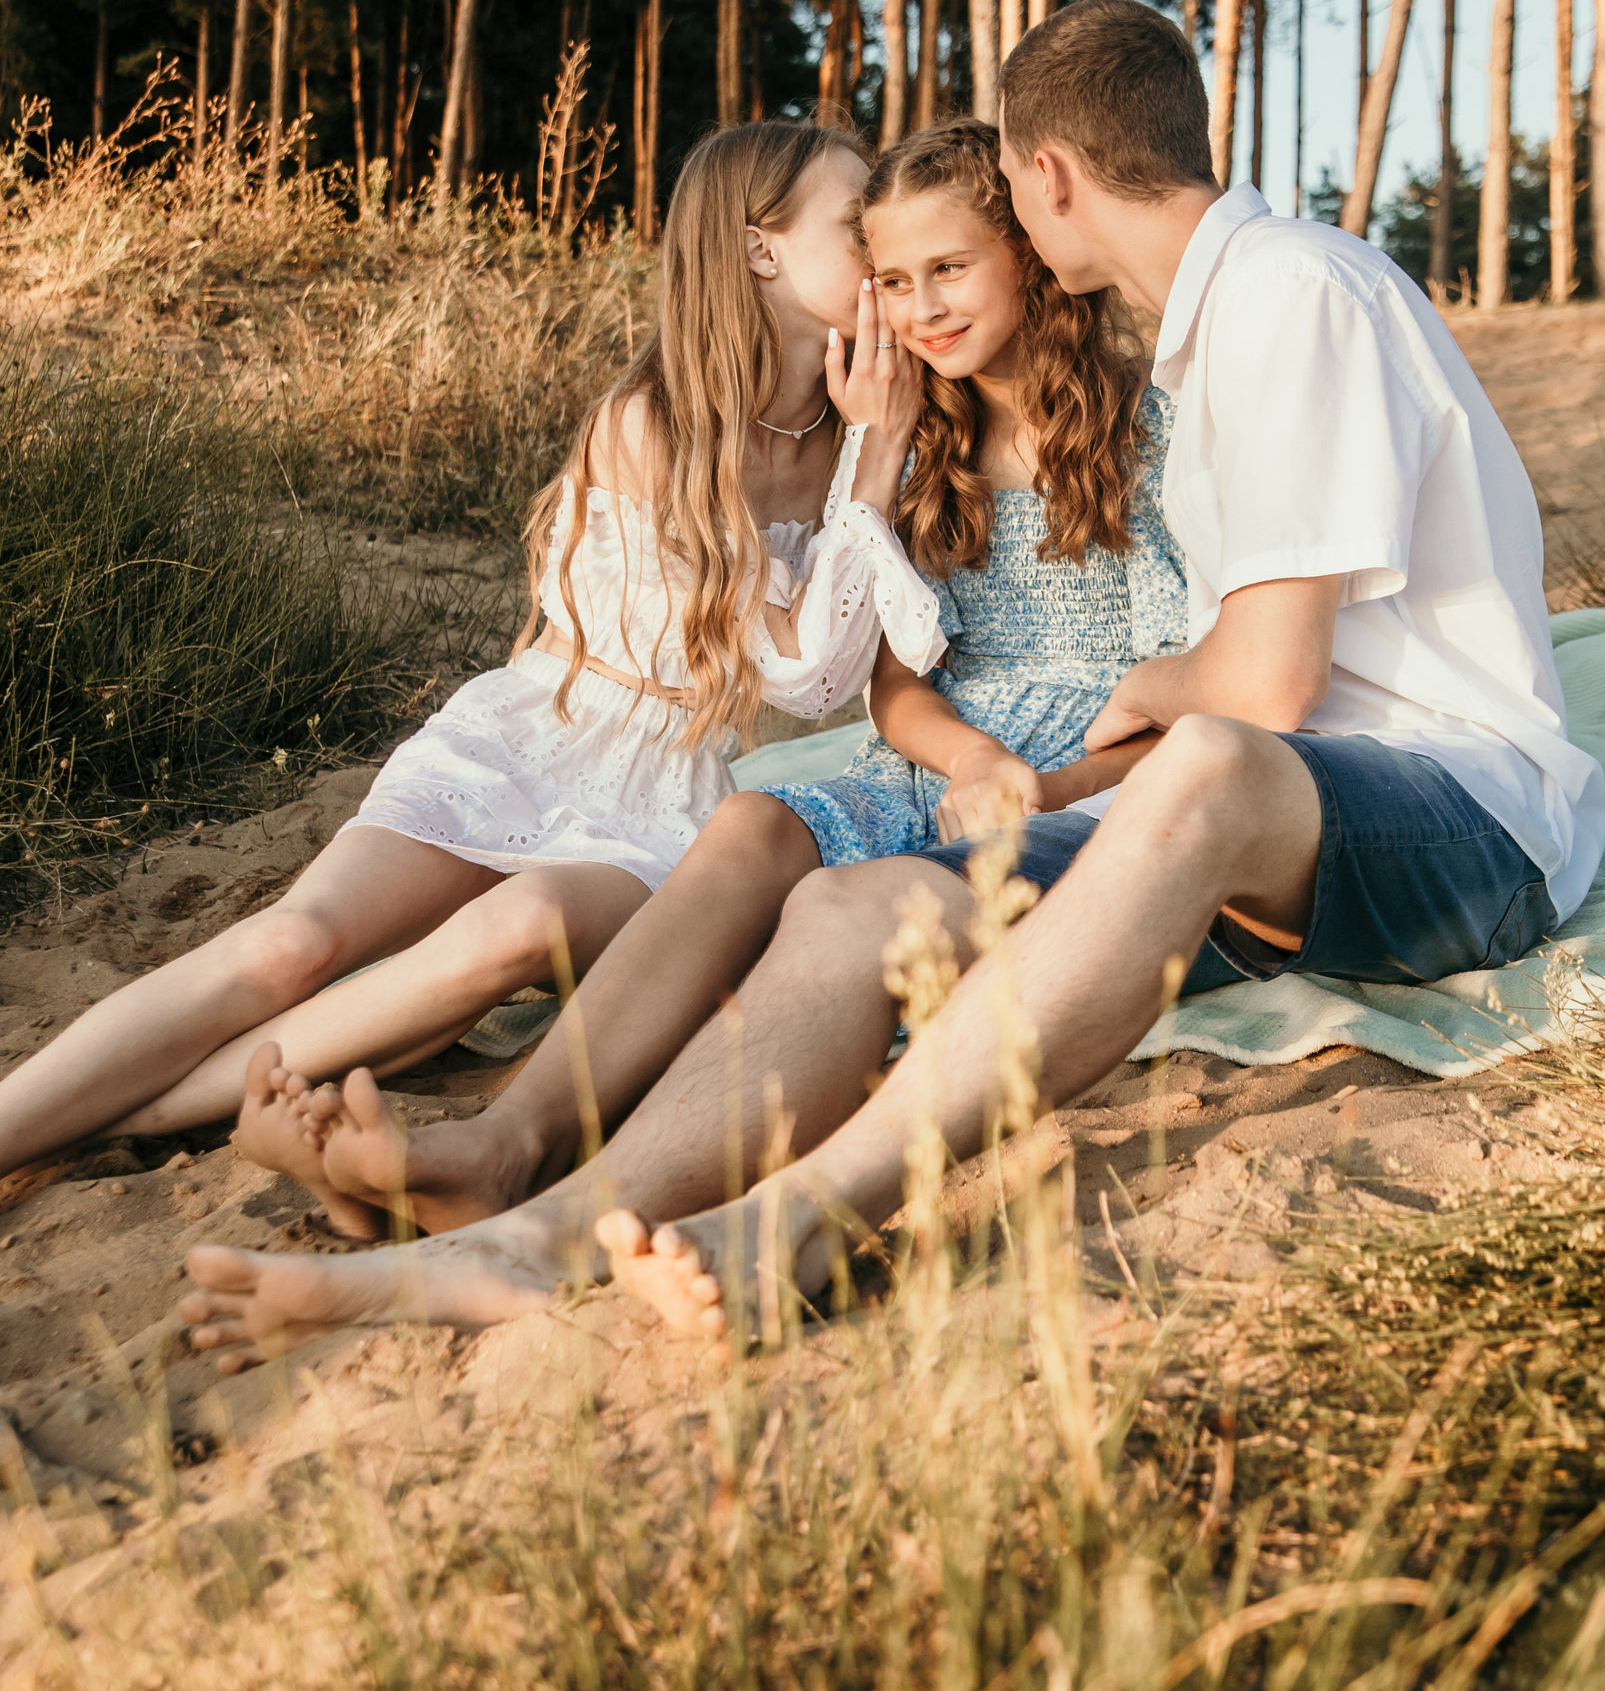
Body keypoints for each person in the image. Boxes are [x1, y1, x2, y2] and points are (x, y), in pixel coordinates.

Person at [175, 0, 1605, 1365]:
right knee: (855, 897)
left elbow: (1267, 682)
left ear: (1041, 182)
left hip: (1454, 806)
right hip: (1273, 828)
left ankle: (792, 1220)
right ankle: (537, 1228)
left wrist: (1148, 696)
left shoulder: (1288, 291)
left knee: (1210, 760)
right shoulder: (1215, 322)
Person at [0, 119, 932, 1347]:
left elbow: (806, 677)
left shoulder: (860, 433)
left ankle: (92, 1122)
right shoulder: (651, 422)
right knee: (287, 949)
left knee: (513, 929)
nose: (885, 251)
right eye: (856, 227)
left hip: (663, 804)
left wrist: (876, 452)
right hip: (536, 729)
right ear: (758, 254)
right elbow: (792, 651)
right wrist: (872, 469)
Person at [236, 116, 1180, 1242]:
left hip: (1087, 773)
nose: (917, 307)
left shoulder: (1145, 435)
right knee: (748, 822)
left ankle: (540, 1164)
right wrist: (969, 754)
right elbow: (895, 687)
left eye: (947, 270)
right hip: (934, 756)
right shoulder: (921, 442)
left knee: (817, 884)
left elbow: (1176, 686)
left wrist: (1038, 781)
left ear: (1025, 256)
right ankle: (506, 1138)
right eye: (891, 278)